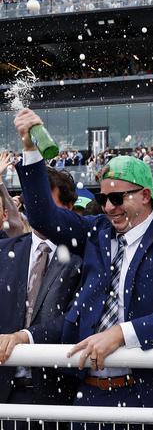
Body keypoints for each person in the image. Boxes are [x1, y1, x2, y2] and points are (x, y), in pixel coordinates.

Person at [13, 108, 153, 419]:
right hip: (87, 394)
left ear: (145, 196)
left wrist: (121, 334)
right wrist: (29, 149)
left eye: (117, 199)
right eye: (102, 198)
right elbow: (41, 216)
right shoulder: (96, 231)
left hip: (144, 397)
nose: (108, 207)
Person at [0, 167, 82, 421]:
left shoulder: (84, 256)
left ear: (67, 208)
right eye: (32, 204)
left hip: (57, 397)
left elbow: (75, 318)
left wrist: (25, 337)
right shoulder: (4, 252)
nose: (36, 213)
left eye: (44, 204)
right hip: (6, 395)